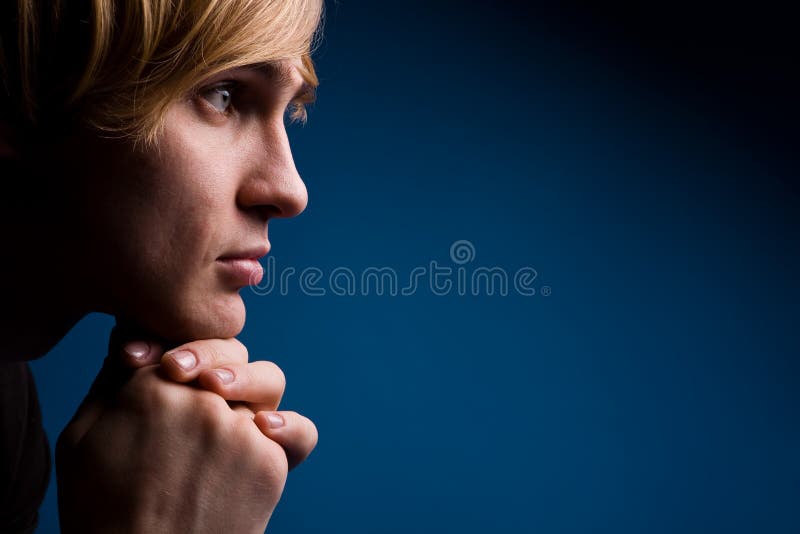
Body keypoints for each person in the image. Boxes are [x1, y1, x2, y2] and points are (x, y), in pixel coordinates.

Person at [0, 0, 323, 532]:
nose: (290, 191)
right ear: (18, 98)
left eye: (288, 111)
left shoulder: (2, 428)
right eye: (224, 95)